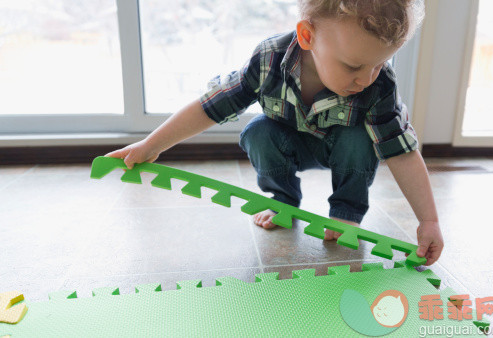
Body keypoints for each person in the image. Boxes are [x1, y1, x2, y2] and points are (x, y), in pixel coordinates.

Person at [106, 0, 444, 266]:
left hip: (344, 149)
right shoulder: (269, 59)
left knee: (360, 138)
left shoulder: (378, 85)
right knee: (257, 131)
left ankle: (346, 214)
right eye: (354, 66)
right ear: (307, 35)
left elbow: (401, 150)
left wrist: (428, 221)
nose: (365, 79)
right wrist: (152, 144)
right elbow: (212, 105)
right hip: (289, 141)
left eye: (379, 64)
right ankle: (283, 199)